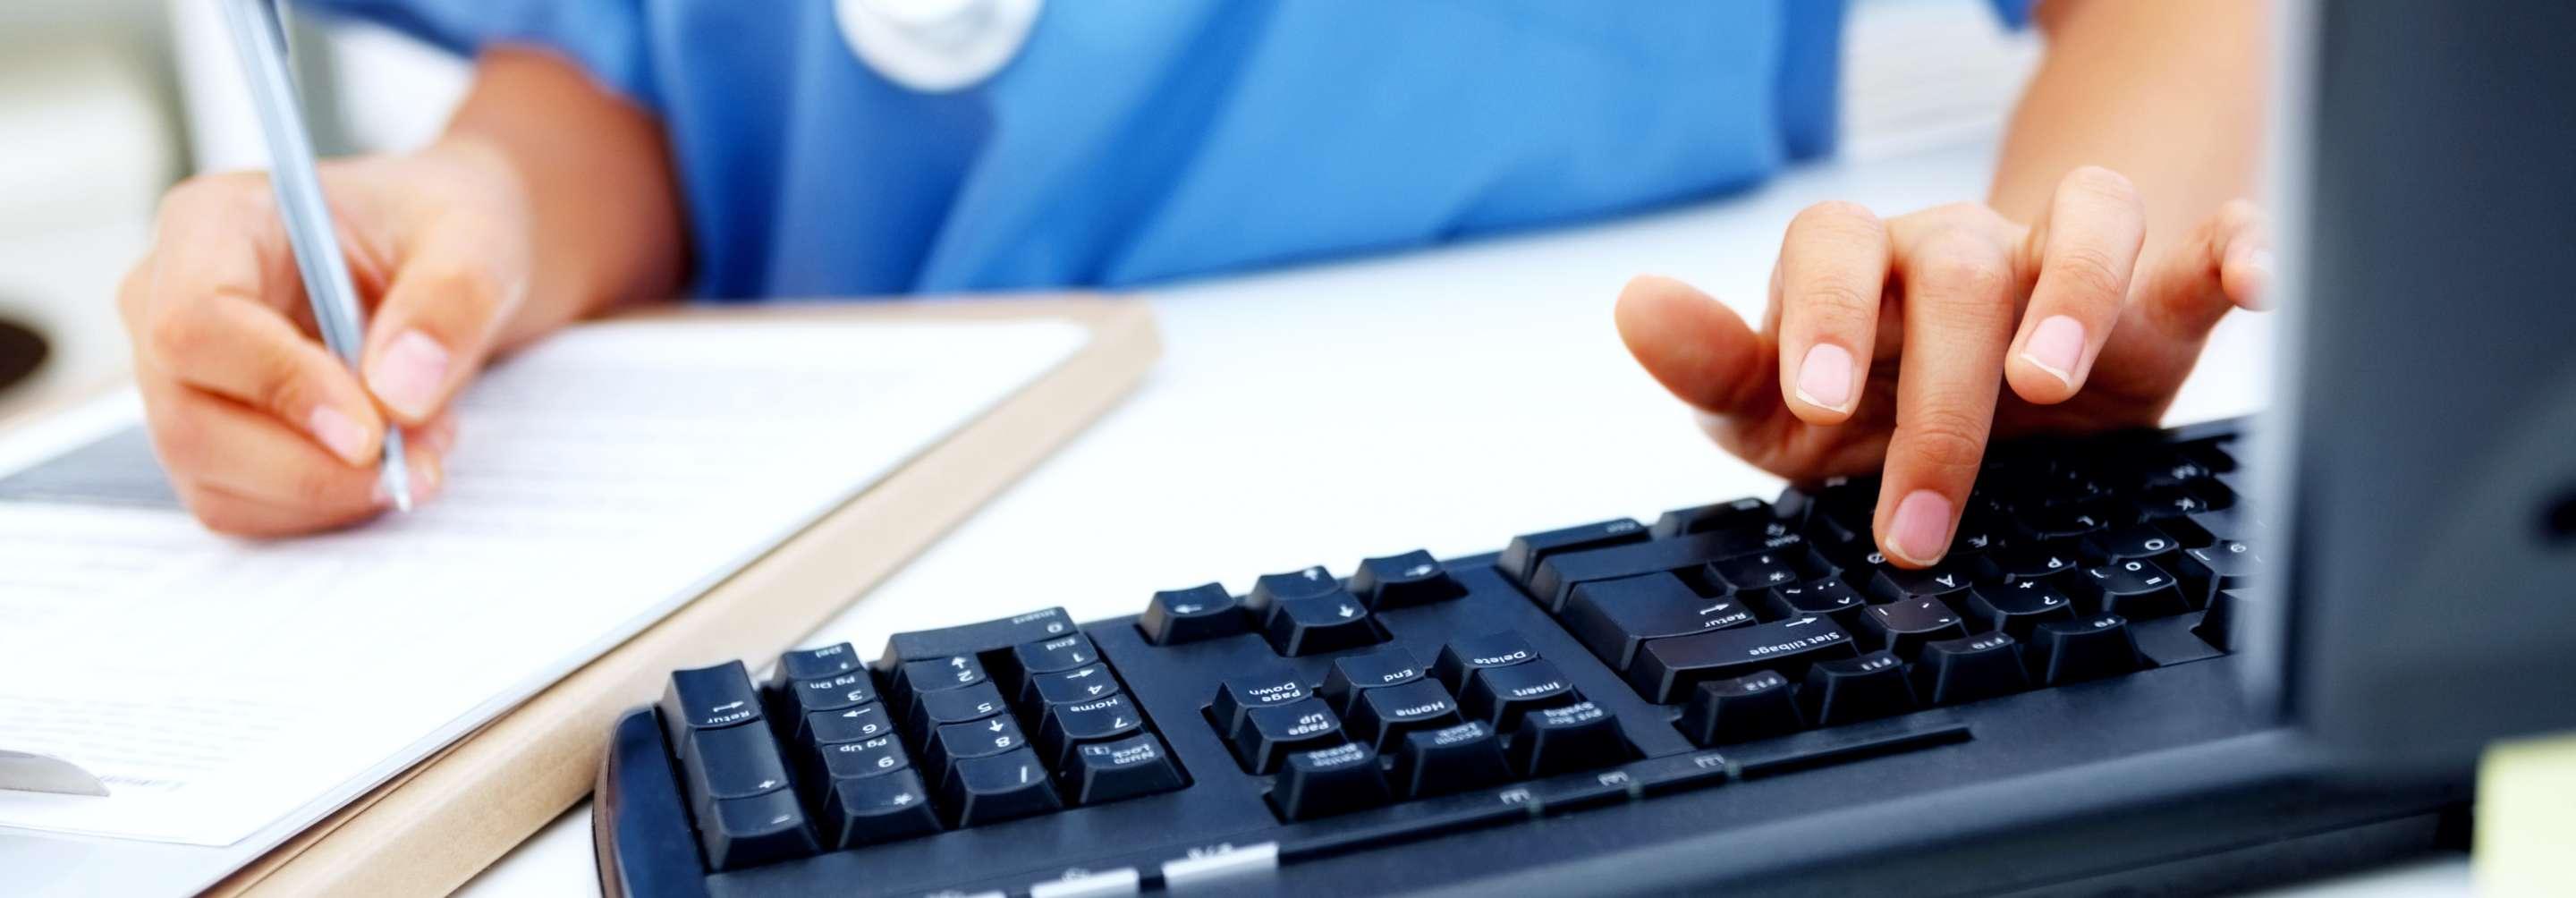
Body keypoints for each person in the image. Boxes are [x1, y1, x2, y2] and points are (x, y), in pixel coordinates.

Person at [119, 0, 2267, 569]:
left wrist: (2051, 262)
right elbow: (639, 81)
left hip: (1627, 497)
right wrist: (461, 221)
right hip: (886, 569)